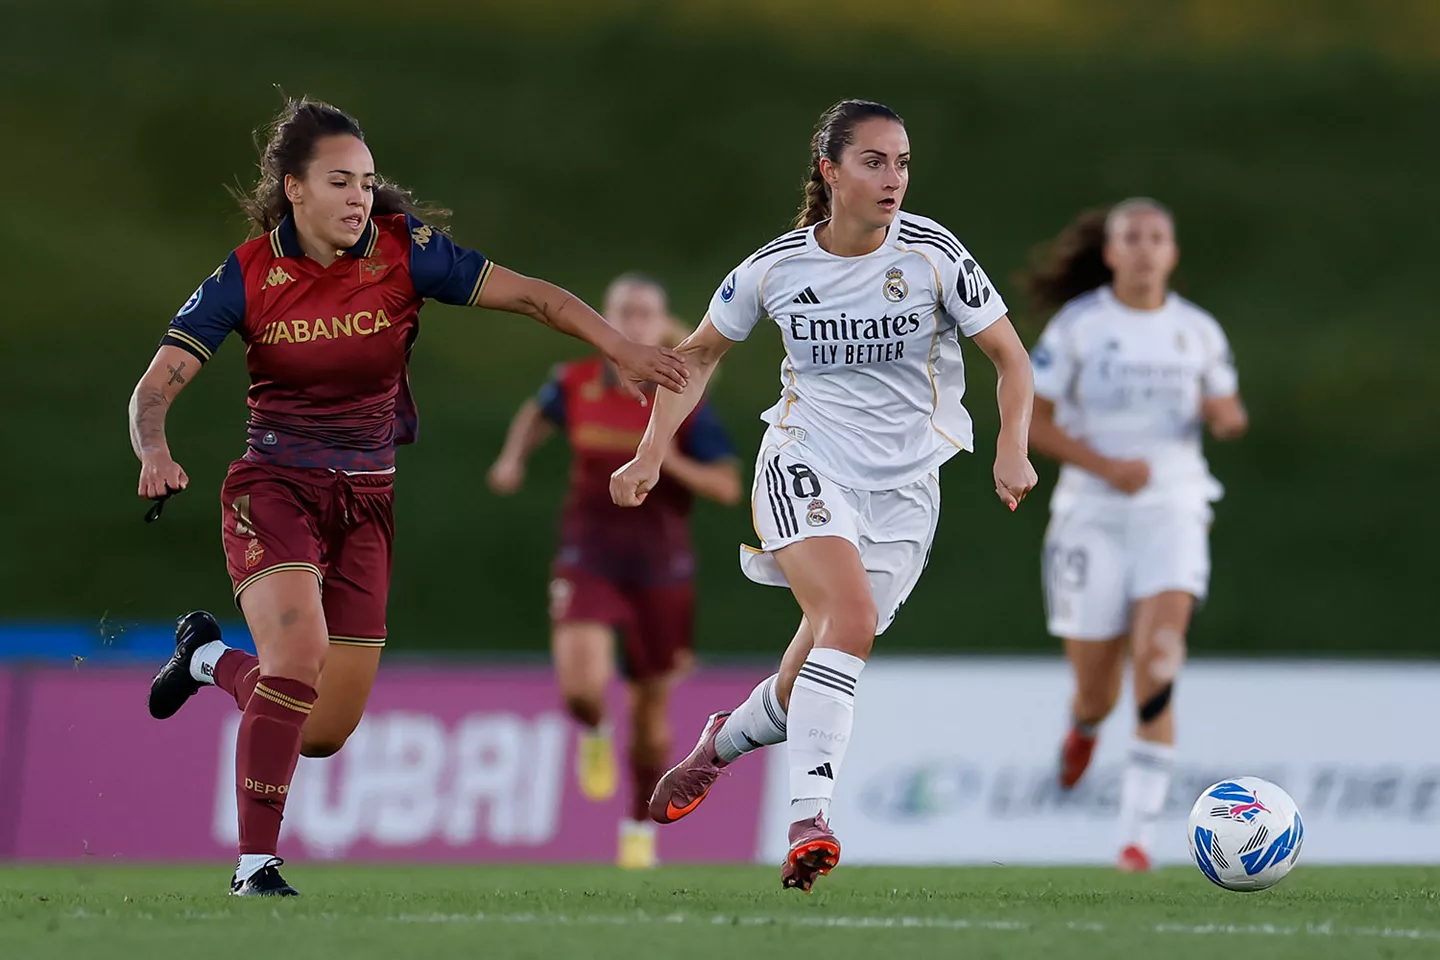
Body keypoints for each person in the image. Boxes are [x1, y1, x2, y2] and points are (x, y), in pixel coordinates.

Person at [129, 97, 687, 896]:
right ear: (293, 188)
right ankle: (256, 865)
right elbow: (153, 390)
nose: (360, 197)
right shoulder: (245, 275)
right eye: (339, 182)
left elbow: (535, 296)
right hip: (274, 490)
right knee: (295, 663)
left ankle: (208, 657)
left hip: (368, 501)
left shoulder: (406, 253)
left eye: (365, 181)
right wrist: (155, 448)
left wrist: (622, 346)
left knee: (319, 731)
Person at [608, 99, 1037, 891]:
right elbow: (697, 356)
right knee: (850, 620)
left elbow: (1012, 359)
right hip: (805, 461)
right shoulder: (774, 269)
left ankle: (721, 744)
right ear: (829, 171)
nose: (894, 179)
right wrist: (649, 453)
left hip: (908, 490)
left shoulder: (936, 254)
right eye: (874, 161)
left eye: (903, 162)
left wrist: (1011, 447)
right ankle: (810, 817)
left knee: (823, 657)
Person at [1021, 199, 1249, 872]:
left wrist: (1226, 417)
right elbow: (1034, 420)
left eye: (1158, 238)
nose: (1147, 249)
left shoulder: (1197, 331)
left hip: (1173, 509)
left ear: (1172, 253)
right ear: (1112, 253)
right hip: (1092, 517)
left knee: (1159, 659)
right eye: (1133, 239)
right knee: (1099, 687)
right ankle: (1084, 725)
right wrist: (1105, 467)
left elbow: (1228, 406)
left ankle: (1136, 840)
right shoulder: (1082, 326)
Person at [487, 273, 742, 869]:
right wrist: (512, 458)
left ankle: (637, 830)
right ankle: (595, 731)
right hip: (588, 555)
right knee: (580, 687)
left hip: (661, 568)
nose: (633, 324)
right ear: (605, 318)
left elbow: (728, 486)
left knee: (652, 715)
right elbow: (536, 414)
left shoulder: (685, 398)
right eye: (622, 313)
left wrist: (667, 459)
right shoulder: (573, 382)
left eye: (645, 314)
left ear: (662, 326)